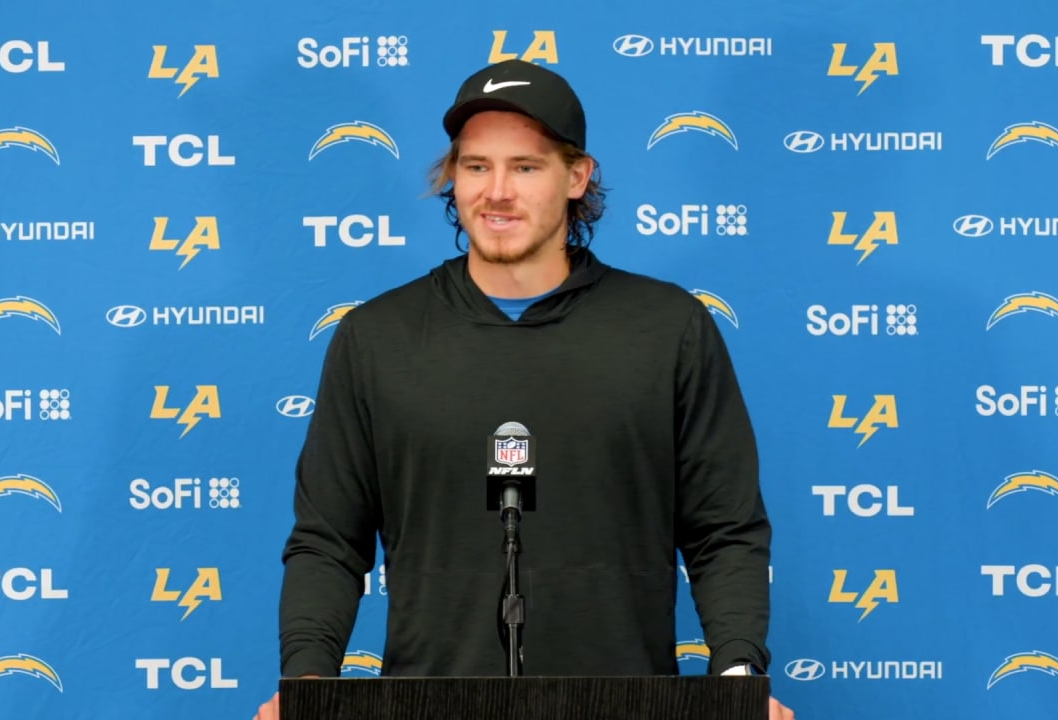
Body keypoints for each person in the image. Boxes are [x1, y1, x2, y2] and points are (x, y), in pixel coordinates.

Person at [257, 59, 793, 720]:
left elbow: (725, 531)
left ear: (577, 176)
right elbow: (328, 541)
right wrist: (305, 683)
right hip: (427, 703)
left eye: (526, 167)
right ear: (452, 178)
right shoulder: (378, 338)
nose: (497, 191)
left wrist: (739, 675)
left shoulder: (667, 328)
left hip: (626, 702)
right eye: (476, 166)